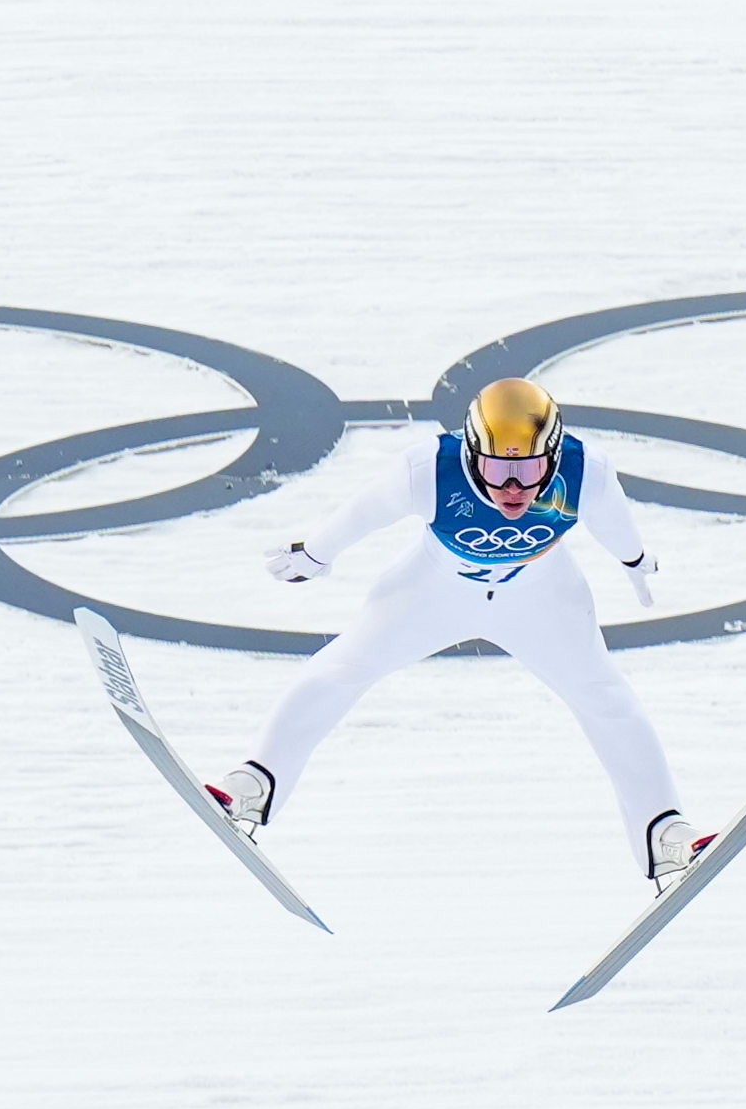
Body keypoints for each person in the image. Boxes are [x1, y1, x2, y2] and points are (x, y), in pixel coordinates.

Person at [206, 377, 716, 893]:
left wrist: (634, 559)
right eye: (498, 469)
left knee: (605, 696)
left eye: (530, 469)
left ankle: (663, 832)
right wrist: (317, 552)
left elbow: (614, 521)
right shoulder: (429, 469)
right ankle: (255, 783)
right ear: (471, 455)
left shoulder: (586, 472)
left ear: (556, 457)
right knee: (345, 666)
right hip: (432, 592)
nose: (513, 488)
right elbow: (364, 511)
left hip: (541, 599)